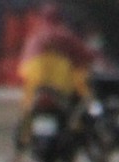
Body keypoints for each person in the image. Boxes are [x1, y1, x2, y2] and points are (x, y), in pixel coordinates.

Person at [15, 3, 95, 153]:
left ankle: (20, 150)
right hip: (60, 87)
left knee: (26, 111)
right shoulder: (65, 35)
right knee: (79, 109)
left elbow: (23, 67)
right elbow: (85, 55)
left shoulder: (34, 37)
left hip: (36, 86)